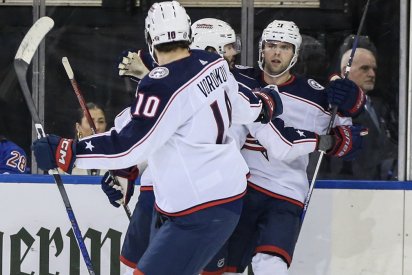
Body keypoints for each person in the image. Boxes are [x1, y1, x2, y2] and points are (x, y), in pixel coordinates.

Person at [30, 2, 283, 274]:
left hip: (201, 210)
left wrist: (69, 151)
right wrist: (265, 106)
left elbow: (130, 143)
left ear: (150, 40)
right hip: (213, 199)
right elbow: (243, 104)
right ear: (187, 32)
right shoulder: (214, 64)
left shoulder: (161, 83)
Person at [202, 20, 368, 275]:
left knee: (271, 265)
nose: (277, 52)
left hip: (285, 194)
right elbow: (193, 74)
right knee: (223, 270)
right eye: (271, 45)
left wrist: (353, 100)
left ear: (295, 54)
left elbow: (354, 140)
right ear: (261, 50)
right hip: (239, 191)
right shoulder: (238, 78)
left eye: (285, 47)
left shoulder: (315, 96)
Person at [316, 47, 398, 180]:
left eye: (374, 69)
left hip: (381, 187)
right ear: (345, 72)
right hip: (345, 187)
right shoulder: (330, 108)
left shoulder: (380, 106)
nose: (372, 74)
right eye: (364, 68)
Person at [69, 102, 108, 175]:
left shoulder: (117, 157)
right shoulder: (67, 158)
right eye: (90, 122)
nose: (96, 127)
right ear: (78, 127)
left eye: (101, 122)